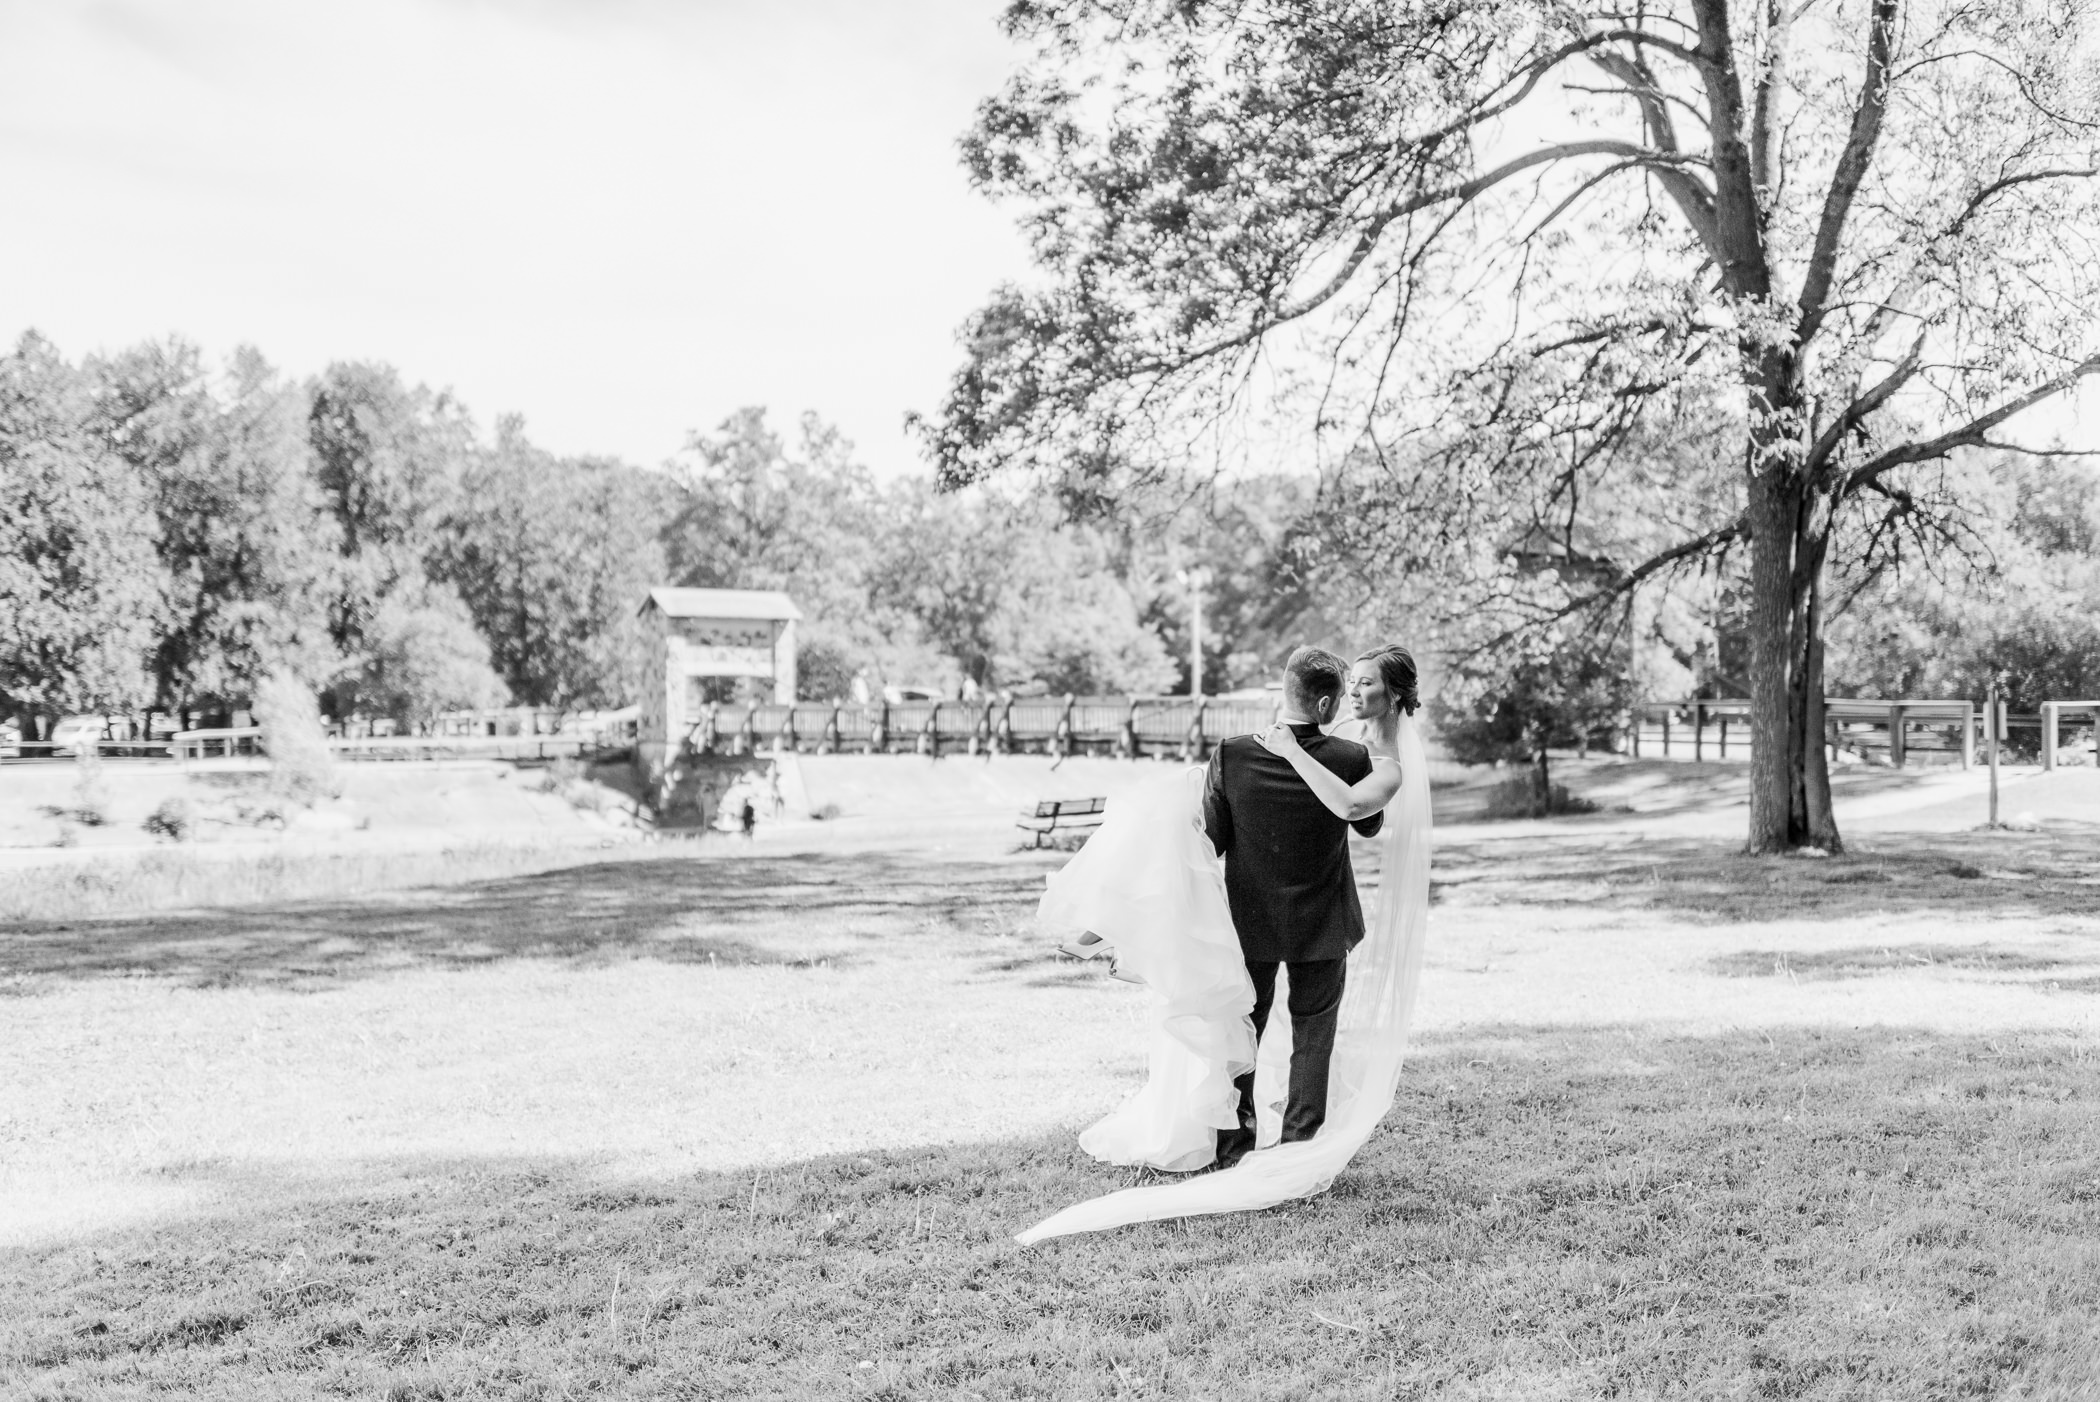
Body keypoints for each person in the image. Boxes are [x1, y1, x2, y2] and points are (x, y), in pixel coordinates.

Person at [1021, 642, 1429, 1243]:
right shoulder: (1350, 756)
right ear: (1326, 699)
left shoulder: (1235, 754)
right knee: (1313, 1037)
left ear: (1282, 691)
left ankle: (1234, 1142)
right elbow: (1365, 823)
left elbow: (1209, 835)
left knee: (1244, 1030)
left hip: (1251, 921)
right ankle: (1298, 1147)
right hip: (1323, 920)